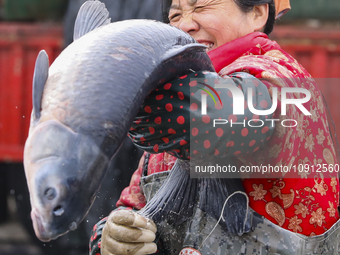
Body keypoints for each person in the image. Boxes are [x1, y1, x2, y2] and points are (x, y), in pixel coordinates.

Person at [89, 0, 340, 254]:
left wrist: (120, 86)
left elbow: (218, 115)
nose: (184, 25)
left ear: (257, 13)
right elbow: (132, 207)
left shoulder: (278, 78)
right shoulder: (175, 105)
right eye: (175, 15)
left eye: (201, 8)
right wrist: (113, 238)